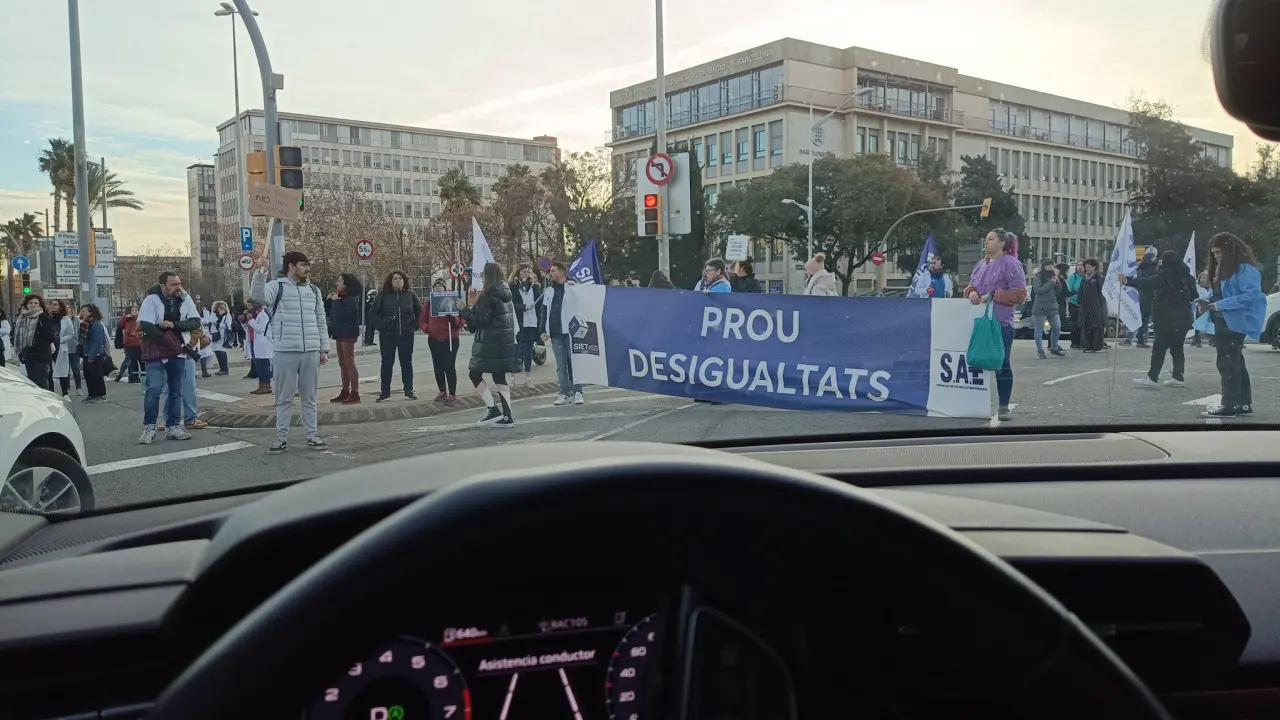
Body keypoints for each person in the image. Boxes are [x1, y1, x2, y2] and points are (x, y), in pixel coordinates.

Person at [250, 252, 331, 454]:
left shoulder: (313, 290)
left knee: (309, 398)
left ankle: (312, 436)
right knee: (284, 398)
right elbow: (257, 296)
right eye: (303, 264)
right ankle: (281, 438)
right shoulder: (276, 286)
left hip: (311, 350)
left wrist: (324, 348)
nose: (307, 268)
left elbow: (320, 320)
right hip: (285, 350)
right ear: (291, 266)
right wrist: (261, 272)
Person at [963, 229, 1028, 422]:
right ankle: (973, 404)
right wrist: (971, 292)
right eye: (986, 239)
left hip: (1000, 323)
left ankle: (1003, 406)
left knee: (1002, 363)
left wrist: (995, 295)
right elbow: (970, 286)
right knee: (975, 361)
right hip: (979, 322)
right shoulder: (980, 264)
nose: (986, 242)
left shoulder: (1011, 264)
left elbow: (1020, 294)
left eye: (990, 239)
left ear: (1002, 244)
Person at [1201, 232, 1266, 418]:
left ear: (1229, 251)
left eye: (1219, 253)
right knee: (1235, 361)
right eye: (1214, 254)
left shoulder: (1244, 269)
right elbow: (1221, 293)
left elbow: (1250, 295)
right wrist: (1208, 301)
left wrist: (1219, 304)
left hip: (1234, 320)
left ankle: (1229, 404)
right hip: (1226, 318)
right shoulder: (1230, 269)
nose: (1216, 257)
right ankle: (1243, 403)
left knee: (1227, 362)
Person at [138, 270, 201, 443]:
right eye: (174, 284)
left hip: (178, 350)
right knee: (154, 388)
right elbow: (145, 323)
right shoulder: (151, 299)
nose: (178, 287)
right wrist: (166, 339)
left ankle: (173, 426)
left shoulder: (186, 299)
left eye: (179, 283)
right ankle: (149, 427)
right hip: (156, 350)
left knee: (176, 390)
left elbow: (195, 321)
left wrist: (174, 325)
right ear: (163, 286)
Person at [1121, 250, 1198, 389]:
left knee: (1159, 349)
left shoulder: (1166, 275)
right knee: (1177, 348)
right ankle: (1178, 376)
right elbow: (1194, 296)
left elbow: (1148, 283)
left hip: (1165, 318)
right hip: (1183, 318)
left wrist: (1127, 281)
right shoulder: (1188, 277)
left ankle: (1152, 377)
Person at [459, 262, 518, 426]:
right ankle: (507, 414)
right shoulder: (505, 291)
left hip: (489, 341)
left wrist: (465, 310)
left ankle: (492, 409)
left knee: (474, 374)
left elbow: (481, 319)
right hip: (503, 341)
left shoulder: (488, 293)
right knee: (499, 376)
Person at [368, 270, 421, 402]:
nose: (398, 281)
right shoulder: (383, 295)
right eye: (395, 278)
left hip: (406, 334)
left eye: (400, 278)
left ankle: (408, 390)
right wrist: (381, 325)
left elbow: (420, 312)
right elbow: (373, 313)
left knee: (406, 363)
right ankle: (385, 392)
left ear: (404, 281)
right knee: (386, 363)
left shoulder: (410, 295)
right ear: (390, 281)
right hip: (388, 335)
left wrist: (414, 326)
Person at [540, 261, 584, 406]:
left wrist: (576, 284)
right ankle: (564, 393)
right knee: (561, 366)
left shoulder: (572, 288)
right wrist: (543, 330)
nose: (550, 274)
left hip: (571, 331)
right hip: (555, 332)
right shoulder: (548, 291)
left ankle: (577, 392)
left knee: (574, 364)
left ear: (562, 273)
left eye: (553, 271)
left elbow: (583, 302)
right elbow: (544, 311)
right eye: (550, 271)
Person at [422, 278, 463, 405]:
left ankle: (452, 394)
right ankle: (442, 391)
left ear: (445, 288)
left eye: (440, 286)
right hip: (434, 339)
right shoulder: (429, 302)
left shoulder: (453, 299)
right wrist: (428, 328)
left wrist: (453, 319)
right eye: (435, 286)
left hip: (450, 339)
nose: (438, 288)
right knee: (438, 366)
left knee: (449, 366)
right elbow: (422, 320)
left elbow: (461, 321)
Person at [327, 273, 364, 404]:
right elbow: (332, 314)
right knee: (342, 363)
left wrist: (336, 301)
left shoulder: (351, 298)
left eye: (340, 281)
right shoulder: (340, 297)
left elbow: (344, 314)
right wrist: (330, 300)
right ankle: (345, 390)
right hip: (339, 332)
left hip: (348, 333)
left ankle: (355, 392)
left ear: (346, 285)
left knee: (349, 362)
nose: (337, 283)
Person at [508, 263, 545, 387]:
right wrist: (524, 307)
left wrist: (539, 291)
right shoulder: (512, 287)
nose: (526, 274)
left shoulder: (532, 287)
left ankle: (527, 377)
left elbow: (539, 303)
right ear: (518, 272)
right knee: (516, 349)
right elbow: (511, 305)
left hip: (531, 321)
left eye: (528, 272)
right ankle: (512, 377)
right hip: (519, 321)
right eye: (524, 271)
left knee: (529, 349)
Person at [13, 295, 56, 390]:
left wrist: (37, 343)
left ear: (40, 305)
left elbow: (50, 336)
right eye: (30, 303)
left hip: (41, 355)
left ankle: (45, 399)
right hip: (27, 354)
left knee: (42, 381)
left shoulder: (43, 317)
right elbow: (16, 335)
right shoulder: (21, 318)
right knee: (31, 382)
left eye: (36, 303)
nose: (33, 304)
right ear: (26, 304)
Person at [1029, 258, 1065, 359]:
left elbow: (1059, 290)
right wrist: (1050, 283)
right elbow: (1038, 290)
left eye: (1052, 265)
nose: (1050, 267)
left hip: (1052, 306)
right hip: (1040, 306)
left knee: (1057, 327)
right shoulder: (1038, 276)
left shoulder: (1054, 275)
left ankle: (1054, 347)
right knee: (1039, 329)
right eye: (1048, 265)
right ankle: (1040, 350)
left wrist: (1057, 280)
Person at [79, 303, 109, 403]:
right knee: (88, 375)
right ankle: (92, 394)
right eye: (81, 311)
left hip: (95, 354)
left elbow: (97, 342)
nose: (82, 313)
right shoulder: (85, 324)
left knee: (96, 375)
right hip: (86, 353)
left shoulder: (97, 325)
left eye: (84, 311)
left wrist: (92, 355)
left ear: (91, 312)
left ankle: (100, 395)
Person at [50, 299, 79, 399]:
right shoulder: (47, 318)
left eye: (55, 304)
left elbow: (71, 334)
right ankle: (50, 393)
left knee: (63, 371)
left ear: (60, 307)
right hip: (49, 347)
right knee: (49, 371)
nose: (53, 306)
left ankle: (65, 393)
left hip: (61, 347)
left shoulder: (66, 319)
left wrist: (60, 340)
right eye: (51, 304)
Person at [1077, 259, 1108, 352]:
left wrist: (1100, 305)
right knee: (1087, 327)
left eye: (1089, 267)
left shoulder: (1099, 278)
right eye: (1086, 267)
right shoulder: (1084, 279)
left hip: (1096, 307)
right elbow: (1081, 292)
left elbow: (1102, 293)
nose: (1087, 269)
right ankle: (1089, 346)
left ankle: (1097, 346)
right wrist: (1080, 302)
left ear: (1094, 267)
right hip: (1085, 307)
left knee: (1097, 327)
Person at [246, 300, 274, 395]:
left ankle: (266, 385)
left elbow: (260, 329)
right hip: (257, 342)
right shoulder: (257, 315)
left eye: (250, 305)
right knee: (259, 365)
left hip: (264, 343)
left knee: (263, 365)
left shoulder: (263, 315)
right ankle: (261, 384)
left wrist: (251, 320)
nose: (248, 308)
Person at [116, 305, 142, 382]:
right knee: (131, 360)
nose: (134, 312)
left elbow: (143, 331)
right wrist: (125, 317)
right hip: (128, 344)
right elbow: (120, 325)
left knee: (139, 361)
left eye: (136, 310)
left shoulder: (140, 319)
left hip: (138, 343)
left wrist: (136, 334)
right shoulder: (127, 319)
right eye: (132, 310)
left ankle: (138, 377)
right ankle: (132, 376)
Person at [208, 301, 234, 375]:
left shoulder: (227, 315)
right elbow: (211, 320)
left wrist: (219, 324)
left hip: (223, 335)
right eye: (220, 307)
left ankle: (225, 369)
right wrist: (218, 317)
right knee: (217, 351)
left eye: (223, 307)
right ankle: (221, 368)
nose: (222, 309)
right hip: (215, 335)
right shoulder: (213, 314)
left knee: (222, 351)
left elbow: (228, 325)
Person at [1191, 271, 1215, 348]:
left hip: (1209, 306)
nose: (1202, 279)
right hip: (1199, 306)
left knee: (1210, 323)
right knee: (1197, 322)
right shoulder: (1197, 287)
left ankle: (1212, 340)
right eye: (1201, 277)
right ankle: (1196, 340)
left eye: (1204, 277)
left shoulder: (1212, 287)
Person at [1066, 261, 1084, 349]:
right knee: (1075, 323)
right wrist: (1076, 294)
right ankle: (1075, 342)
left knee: (1081, 324)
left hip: (1083, 304)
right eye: (1078, 265)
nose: (1080, 267)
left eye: (1082, 265)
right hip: (1073, 303)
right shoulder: (1073, 277)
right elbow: (1068, 290)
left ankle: (1082, 342)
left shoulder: (1085, 277)